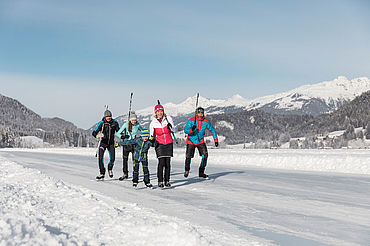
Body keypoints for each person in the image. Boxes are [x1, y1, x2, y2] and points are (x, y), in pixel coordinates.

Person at [183, 107, 218, 179]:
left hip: (200, 141)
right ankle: (187, 170)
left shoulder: (206, 121)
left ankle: (201, 172)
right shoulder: (192, 120)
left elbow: (212, 130)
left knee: (205, 155)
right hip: (191, 141)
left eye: (202, 113)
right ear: (196, 113)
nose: (200, 114)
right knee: (188, 156)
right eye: (199, 113)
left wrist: (216, 140)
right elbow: (186, 130)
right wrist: (191, 130)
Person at [149, 104, 175, 188]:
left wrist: (170, 127)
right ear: (155, 113)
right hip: (159, 144)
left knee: (168, 163)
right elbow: (151, 135)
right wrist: (151, 139)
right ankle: (160, 181)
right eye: (158, 111)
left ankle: (167, 180)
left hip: (168, 143)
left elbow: (173, 129)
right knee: (161, 163)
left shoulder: (168, 119)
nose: (160, 113)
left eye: (161, 111)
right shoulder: (153, 123)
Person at [92, 109, 120, 180]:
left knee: (112, 159)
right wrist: (97, 135)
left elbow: (119, 131)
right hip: (103, 143)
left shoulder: (115, 123)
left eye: (110, 116)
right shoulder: (102, 123)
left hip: (111, 143)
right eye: (107, 116)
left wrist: (123, 136)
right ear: (105, 117)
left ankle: (110, 168)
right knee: (100, 158)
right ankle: (102, 173)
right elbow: (94, 132)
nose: (109, 118)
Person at [115, 111, 143, 181]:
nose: (134, 121)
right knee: (125, 160)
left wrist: (143, 137)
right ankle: (125, 174)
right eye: (132, 120)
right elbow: (118, 133)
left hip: (134, 144)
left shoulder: (137, 125)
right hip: (126, 144)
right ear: (130, 120)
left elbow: (143, 131)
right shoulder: (126, 124)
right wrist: (123, 137)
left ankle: (135, 174)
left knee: (135, 160)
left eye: (135, 120)